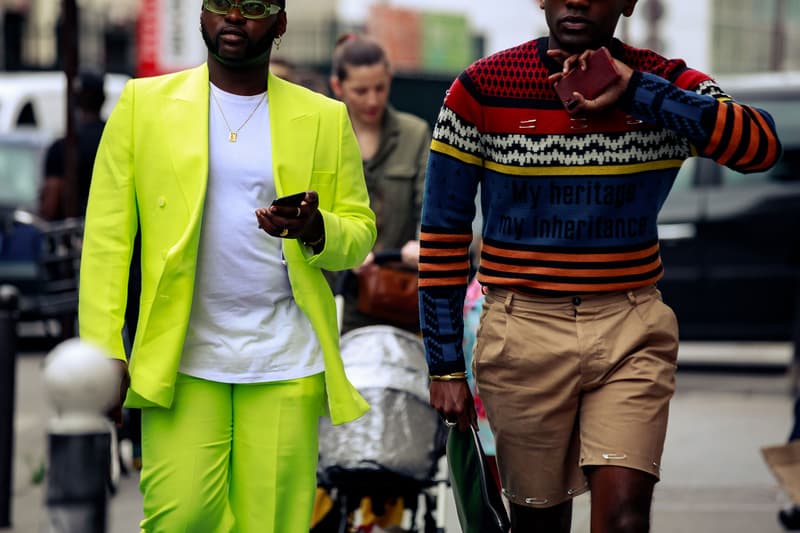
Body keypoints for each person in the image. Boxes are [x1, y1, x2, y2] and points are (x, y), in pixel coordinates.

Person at [419, 1, 782, 532]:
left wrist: (637, 90)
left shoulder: (662, 82)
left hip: (630, 327)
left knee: (625, 518)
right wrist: (445, 364)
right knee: (539, 522)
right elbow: (443, 232)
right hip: (521, 331)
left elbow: (761, 146)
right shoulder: (480, 87)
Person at [77, 1, 376, 531]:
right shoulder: (142, 105)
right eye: (221, 3)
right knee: (180, 519)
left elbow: (359, 231)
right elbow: (107, 241)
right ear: (201, 15)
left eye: (255, 6)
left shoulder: (324, 117)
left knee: (274, 524)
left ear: (280, 24)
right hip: (181, 359)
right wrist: (103, 351)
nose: (235, 17)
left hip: (286, 359)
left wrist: (315, 229)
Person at [328, 33, 431, 334]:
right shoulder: (325, 134)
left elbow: (429, 204)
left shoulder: (414, 133)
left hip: (400, 290)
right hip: (340, 293)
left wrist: (422, 245)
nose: (372, 99)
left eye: (380, 87)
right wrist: (343, 251)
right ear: (338, 87)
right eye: (360, 91)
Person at [39, 70, 106, 221]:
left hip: (70, 235)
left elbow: (51, 203)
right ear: (103, 98)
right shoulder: (116, 139)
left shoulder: (64, 146)